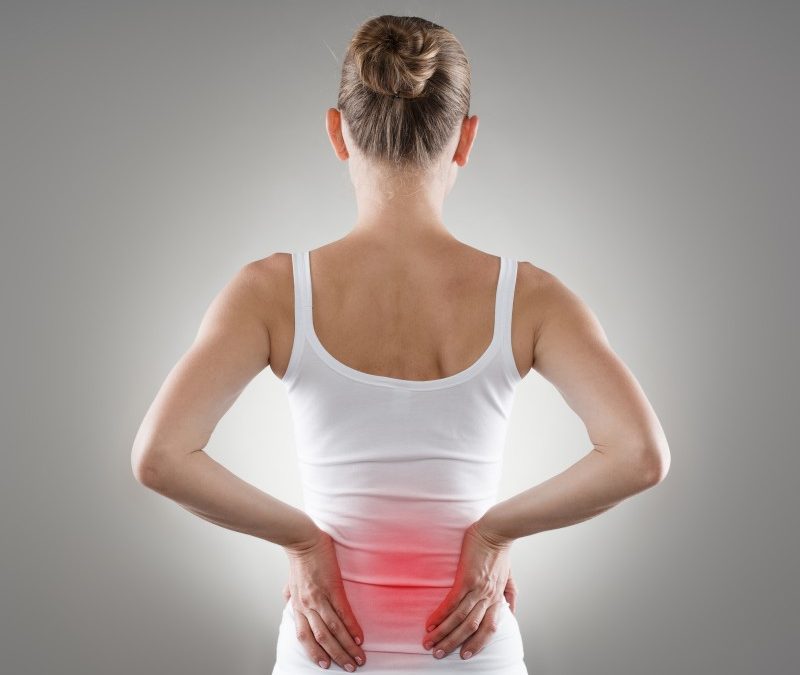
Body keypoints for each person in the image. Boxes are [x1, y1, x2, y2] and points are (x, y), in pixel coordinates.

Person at [131, 13, 671, 674]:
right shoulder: (530, 297)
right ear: (466, 139)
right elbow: (639, 454)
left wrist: (302, 542)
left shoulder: (271, 291)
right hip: (473, 655)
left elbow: (160, 455)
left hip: (324, 655)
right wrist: (495, 532)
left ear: (337, 132)